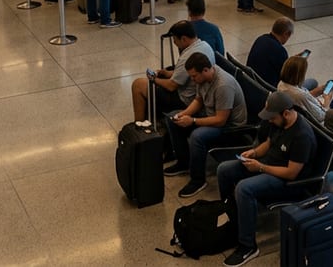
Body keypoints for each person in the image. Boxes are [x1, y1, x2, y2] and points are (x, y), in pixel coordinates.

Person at [217, 91, 318, 267]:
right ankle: (234, 219)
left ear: (286, 113)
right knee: (224, 170)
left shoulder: (302, 136)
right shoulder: (279, 121)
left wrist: (260, 167)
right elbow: (269, 144)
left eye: (272, 118)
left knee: (243, 188)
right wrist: (254, 152)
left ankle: (248, 245)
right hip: (268, 165)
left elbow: (291, 173)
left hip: (288, 182)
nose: (269, 121)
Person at [164, 52, 247, 199]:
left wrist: (193, 121)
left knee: (198, 136)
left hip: (230, 129)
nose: (192, 79)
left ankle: (198, 180)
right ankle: (184, 162)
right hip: (211, 115)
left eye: (194, 76)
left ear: (206, 70)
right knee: (173, 119)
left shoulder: (223, 85)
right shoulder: (201, 79)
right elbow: (198, 100)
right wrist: (184, 114)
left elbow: (221, 120)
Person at [129, 20, 215, 122]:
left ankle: (138, 124)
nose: (175, 44)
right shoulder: (205, 46)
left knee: (138, 85)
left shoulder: (187, 56)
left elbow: (171, 86)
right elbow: (186, 74)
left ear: (183, 39)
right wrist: (167, 73)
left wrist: (154, 79)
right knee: (163, 75)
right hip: (199, 94)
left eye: (175, 40)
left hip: (185, 100)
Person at [247, 17, 308, 89]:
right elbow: (290, 79)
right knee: (312, 82)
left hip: (253, 83)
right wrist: (299, 64)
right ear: (286, 34)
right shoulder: (280, 50)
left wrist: (292, 59)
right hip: (271, 88)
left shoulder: (261, 39)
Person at [276, 56, 331, 122]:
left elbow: (302, 95)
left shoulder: (281, 83)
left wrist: (315, 92)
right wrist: (327, 101)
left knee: (313, 82)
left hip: (298, 97)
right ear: (300, 75)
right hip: (314, 117)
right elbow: (322, 117)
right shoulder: (300, 96)